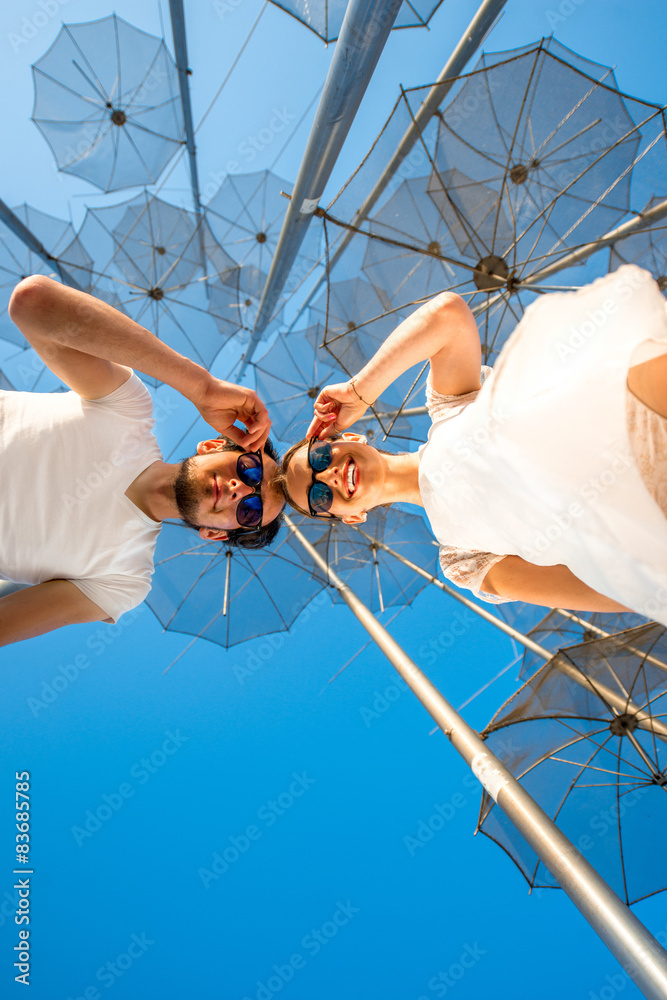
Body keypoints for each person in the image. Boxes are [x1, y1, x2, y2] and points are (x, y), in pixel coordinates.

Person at [279, 265, 667, 625]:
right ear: (352, 517)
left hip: (643, 403)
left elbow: (447, 316)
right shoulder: (461, 558)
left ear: (348, 437)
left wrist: (358, 391)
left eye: (319, 456)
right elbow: (596, 587)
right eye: (319, 495)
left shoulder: (448, 408)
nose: (327, 475)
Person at [0, 275, 285, 646]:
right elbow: (32, 303)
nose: (239, 489)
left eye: (249, 509)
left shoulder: (124, 582)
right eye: (251, 469)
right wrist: (202, 387)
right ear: (214, 445)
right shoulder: (128, 410)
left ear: (215, 534)